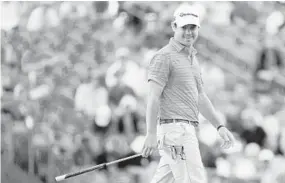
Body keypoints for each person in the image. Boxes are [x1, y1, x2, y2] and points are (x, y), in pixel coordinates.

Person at [142, 4, 235, 183]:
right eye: (184, 27)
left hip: (182, 131)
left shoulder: (192, 58)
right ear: (174, 26)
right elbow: (153, 97)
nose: (188, 32)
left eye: (192, 27)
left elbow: (200, 97)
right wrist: (150, 133)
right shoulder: (164, 57)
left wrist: (219, 126)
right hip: (176, 131)